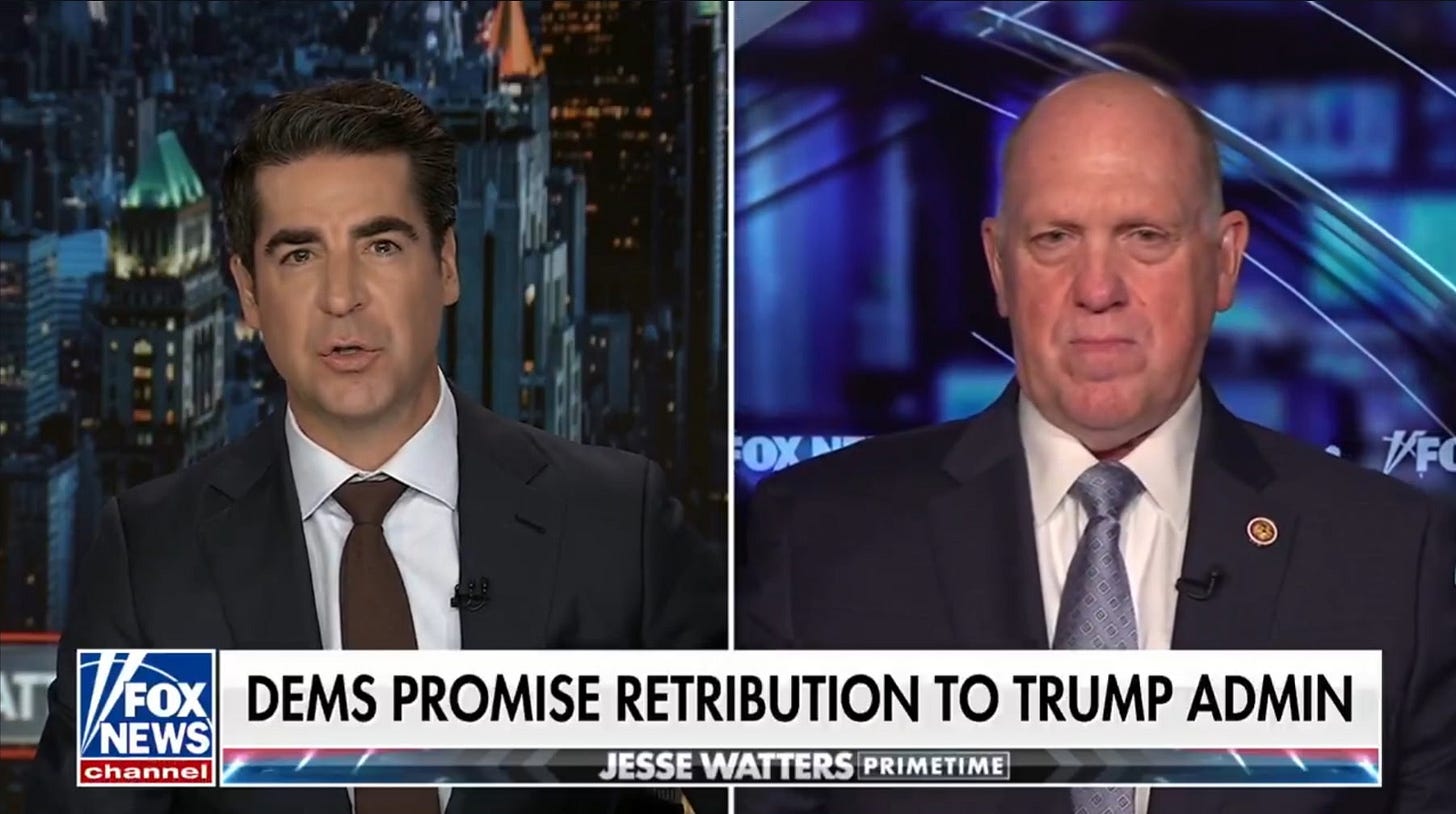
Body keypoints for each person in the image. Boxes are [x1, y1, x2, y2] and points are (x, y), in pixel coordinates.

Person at [736, 71, 1456, 814]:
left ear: (1225, 260)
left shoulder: (1385, 556)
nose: (1098, 288)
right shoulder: (820, 541)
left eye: (1146, 237)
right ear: (999, 266)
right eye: (1055, 238)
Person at [28, 79, 727, 814]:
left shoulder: (617, 522)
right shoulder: (152, 560)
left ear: (446, 264)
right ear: (249, 292)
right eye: (300, 255)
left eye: (382, 246)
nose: (342, 296)